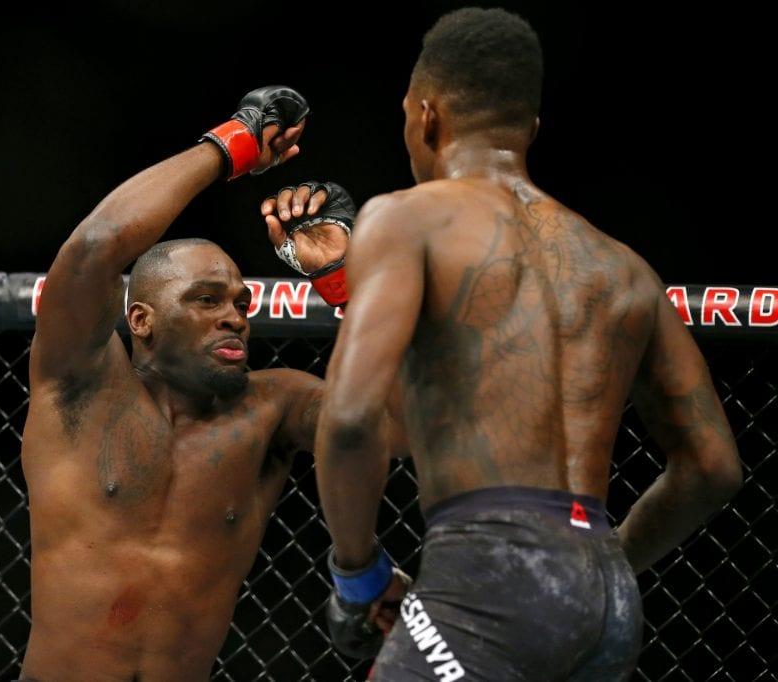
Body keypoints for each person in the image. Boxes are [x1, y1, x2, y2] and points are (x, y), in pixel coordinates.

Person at [304, 8, 743, 681]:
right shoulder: (622, 266)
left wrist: (357, 577)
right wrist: (601, 562)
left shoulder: (407, 217)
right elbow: (712, 466)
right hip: (608, 603)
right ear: (529, 130)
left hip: (492, 577)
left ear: (425, 115)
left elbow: (351, 417)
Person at [17, 86, 355, 682]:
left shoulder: (275, 405)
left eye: (240, 303)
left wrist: (352, 286)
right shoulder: (80, 383)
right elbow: (95, 246)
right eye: (205, 300)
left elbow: (399, 426)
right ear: (141, 319)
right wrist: (234, 144)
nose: (234, 316)